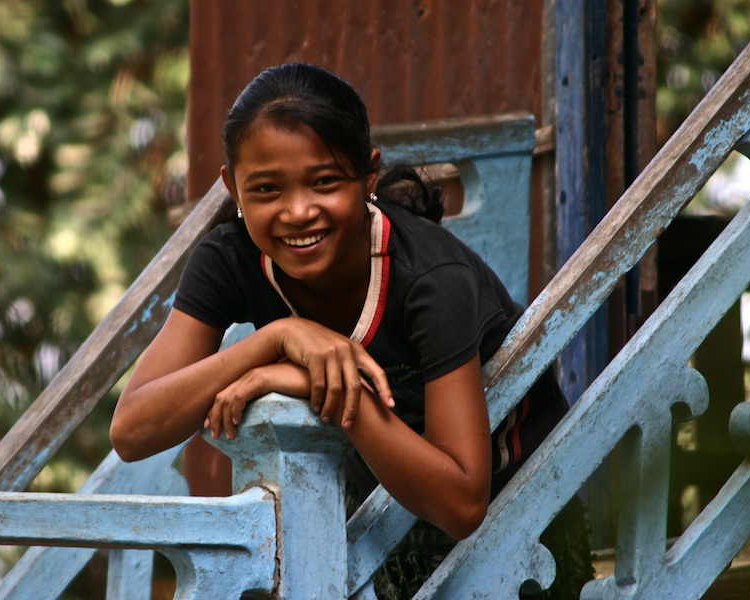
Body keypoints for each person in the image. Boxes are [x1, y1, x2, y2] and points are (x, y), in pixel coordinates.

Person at [110, 62, 590, 598]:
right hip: (385, 545)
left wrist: (331, 387)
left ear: (369, 175)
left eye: (325, 182)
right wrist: (274, 342)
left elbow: (462, 502)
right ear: (232, 187)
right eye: (266, 189)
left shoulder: (433, 280)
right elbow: (132, 430)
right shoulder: (229, 259)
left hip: (527, 537)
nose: (298, 212)